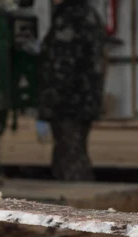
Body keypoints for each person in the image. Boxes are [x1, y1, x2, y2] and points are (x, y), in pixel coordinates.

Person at [38, 0, 106, 181]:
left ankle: (78, 205)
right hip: (80, 100)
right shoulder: (86, 13)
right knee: (68, 152)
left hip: (69, 103)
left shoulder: (71, 15)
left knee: (71, 157)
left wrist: (50, 101)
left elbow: (63, 64)